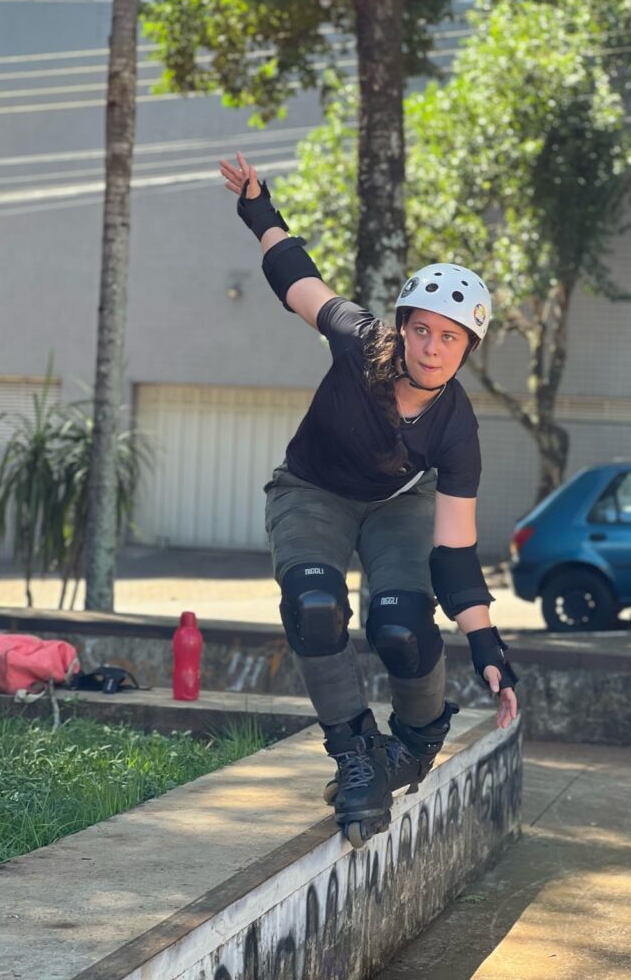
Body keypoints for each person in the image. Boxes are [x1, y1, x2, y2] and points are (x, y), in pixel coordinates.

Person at [219, 152, 519, 848]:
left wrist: (487, 646)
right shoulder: (360, 342)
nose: (432, 347)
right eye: (421, 329)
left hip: (397, 504)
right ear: (403, 325)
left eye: (449, 337)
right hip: (311, 489)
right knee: (314, 607)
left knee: (402, 623)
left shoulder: (457, 431)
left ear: (467, 346)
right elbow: (297, 280)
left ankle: (414, 738)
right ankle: (355, 756)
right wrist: (258, 207)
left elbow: (454, 553)